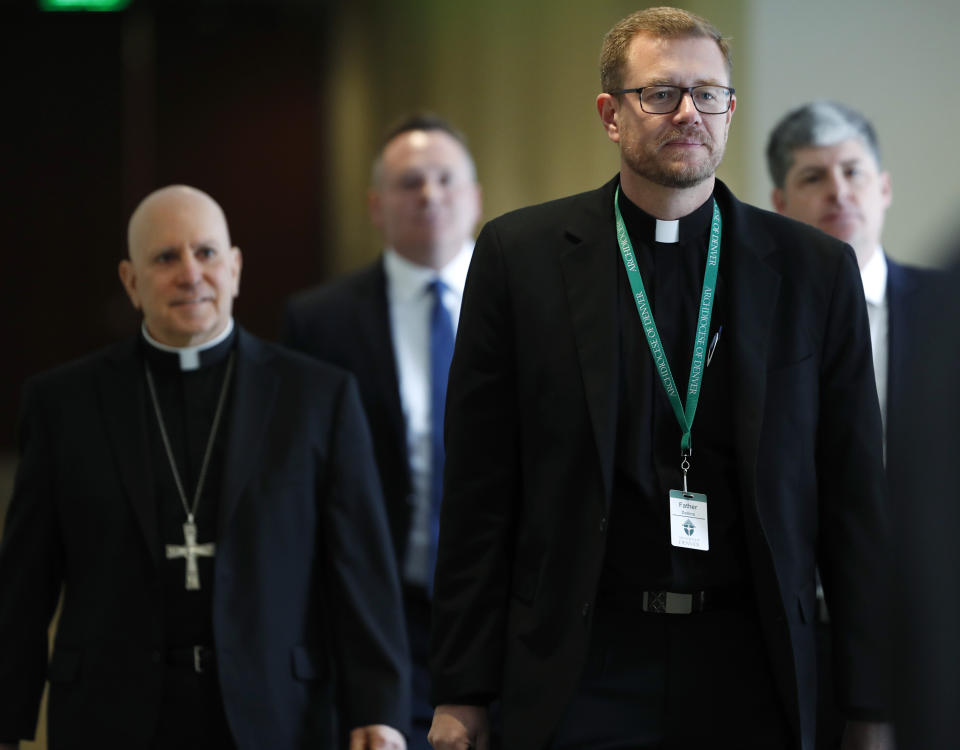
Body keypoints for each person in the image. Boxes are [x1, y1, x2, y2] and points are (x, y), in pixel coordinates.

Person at [428, 8, 891, 750]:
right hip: (586, 663)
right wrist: (461, 690)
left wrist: (871, 705)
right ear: (611, 114)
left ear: (731, 111)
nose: (688, 113)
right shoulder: (523, 257)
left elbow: (855, 500)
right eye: (661, 94)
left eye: (708, 95)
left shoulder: (812, 271)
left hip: (752, 659)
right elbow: (480, 492)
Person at [0, 185, 409, 750]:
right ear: (130, 280)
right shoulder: (63, 404)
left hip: (275, 712)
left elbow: (360, 567)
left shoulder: (317, 397)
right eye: (165, 257)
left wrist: (378, 707)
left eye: (207, 253)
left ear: (236, 268)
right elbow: (25, 580)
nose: (190, 274)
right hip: (110, 713)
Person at [282, 114, 481, 749]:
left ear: (474, 197)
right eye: (409, 182)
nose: (430, 195)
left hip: (499, 611)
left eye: (446, 179)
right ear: (375, 205)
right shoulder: (320, 322)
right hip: (380, 612)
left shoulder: (534, 304)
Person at [768, 100, 940, 446]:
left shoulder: (947, 308)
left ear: (884, 188)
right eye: (813, 177)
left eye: (853, 172)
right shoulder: (757, 315)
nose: (838, 192)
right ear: (780, 204)